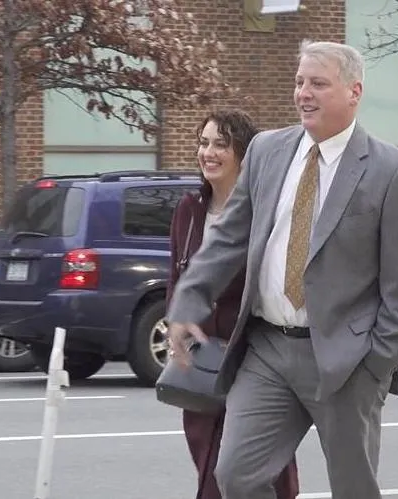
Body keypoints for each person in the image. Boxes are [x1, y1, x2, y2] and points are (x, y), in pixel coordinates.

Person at [166, 40, 398, 499]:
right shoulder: (267, 151)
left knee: (353, 489)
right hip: (267, 350)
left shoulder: (393, 171)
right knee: (236, 477)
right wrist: (188, 299)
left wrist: (376, 366)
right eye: (300, 82)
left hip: (346, 361)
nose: (304, 93)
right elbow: (229, 237)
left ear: (354, 92)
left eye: (319, 84)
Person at [165, 109, 300, 499]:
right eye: (204, 143)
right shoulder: (189, 210)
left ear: (245, 155)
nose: (208, 152)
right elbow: (180, 279)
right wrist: (178, 320)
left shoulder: (266, 212)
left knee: (260, 466)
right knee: (207, 460)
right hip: (202, 359)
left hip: (254, 356)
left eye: (221, 144)